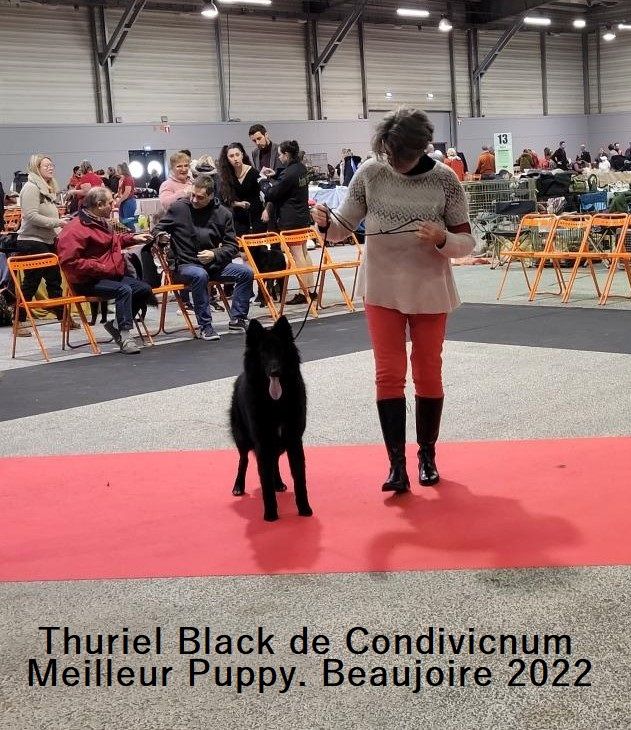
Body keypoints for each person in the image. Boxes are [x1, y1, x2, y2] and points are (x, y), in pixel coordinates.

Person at [311, 108, 475, 494]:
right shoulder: (370, 172)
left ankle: (427, 456)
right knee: (388, 375)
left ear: (422, 148)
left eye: (404, 154)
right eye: (390, 152)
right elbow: (340, 230)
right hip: (381, 288)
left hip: (429, 289)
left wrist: (442, 238)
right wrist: (323, 221)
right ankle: (396, 464)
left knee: (428, 373)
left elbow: (467, 242)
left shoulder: (446, 179)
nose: (396, 161)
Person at [153, 174, 254, 341]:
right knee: (200, 275)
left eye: (200, 197)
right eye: (192, 195)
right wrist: (161, 237)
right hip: (184, 265)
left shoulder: (223, 214)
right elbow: (157, 229)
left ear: (211, 196)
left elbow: (232, 246)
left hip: (213, 265)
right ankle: (205, 326)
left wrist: (215, 253)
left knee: (246, 273)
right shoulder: (179, 208)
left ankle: (238, 318)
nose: (194, 200)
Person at [56, 186, 154, 355]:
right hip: (87, 281)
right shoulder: (74, 229)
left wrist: (133, 238)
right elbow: (68, 261)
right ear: (99, 205)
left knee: (144, 289)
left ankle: (115, 325)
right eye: (110, 203)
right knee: (124, 290)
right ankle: (125, 336)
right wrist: (99, 267)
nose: (114, 205)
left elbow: (113, 242)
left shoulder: (101, 222)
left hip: (109, 275)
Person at [14, 154, 74, 337]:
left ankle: (63, 317)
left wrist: (60, 225)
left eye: (51, 165)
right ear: (36, 168)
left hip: (47, 240)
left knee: (54, 280)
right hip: (31, 241)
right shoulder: (31, 188)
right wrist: (57, 222)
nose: (51, 168)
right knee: (31, 282)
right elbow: (30, 215)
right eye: (46, 165)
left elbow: (47, 216)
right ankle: (18, 321)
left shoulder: (47, 188)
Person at [260, 140, 315, 305]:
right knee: (304, 253)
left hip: (291, 220)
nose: (278, 157)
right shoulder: (301, 168)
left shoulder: (289, 173)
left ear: (286, 155)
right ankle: (310, 290)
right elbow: (288, 181)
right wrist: (276, 175)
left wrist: (262, 181)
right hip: (302, 217)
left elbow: (272, 193)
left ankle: (303, 293)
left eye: (280, 155)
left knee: (297, 255)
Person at [217, 142, 265, 236]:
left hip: (255, 217)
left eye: (237, 155)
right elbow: (223, 200)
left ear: (242, 155)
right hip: (238, 219)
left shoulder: (254, 173)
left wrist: (266, 210)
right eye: (231, 156)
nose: (235, 158)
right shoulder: (227, 176)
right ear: (227, 159)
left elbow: (266, 194)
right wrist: (238, 204)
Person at [115, 162, 137, 229]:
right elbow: (120, 192)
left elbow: (127, 193)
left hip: (129, 202)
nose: (117, 170)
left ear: (123, 169)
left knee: (128, 222)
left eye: (118, 169)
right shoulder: (122, 179)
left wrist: (119, 201)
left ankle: (132, 234)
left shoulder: (128, 179)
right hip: (124, 201)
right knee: (122, 221)